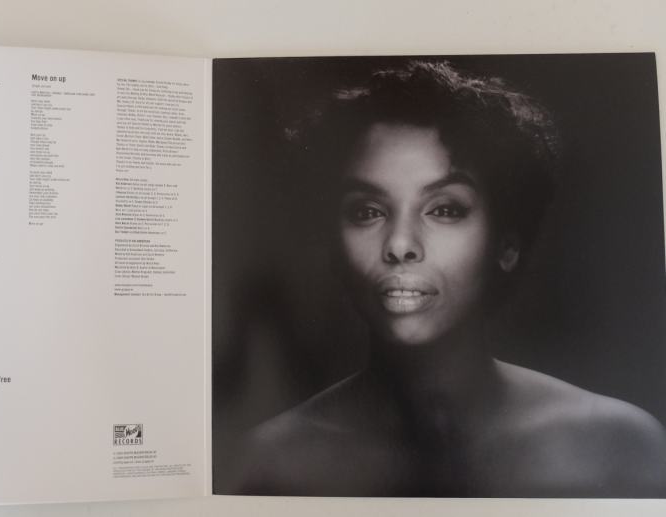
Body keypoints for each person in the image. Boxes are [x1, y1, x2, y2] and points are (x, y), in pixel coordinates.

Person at [232, 61, 666, 497]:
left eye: (444, 209)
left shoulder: (619, 448)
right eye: (368, 211)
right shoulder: (267, 465)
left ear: (506, 244)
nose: (400, 245)